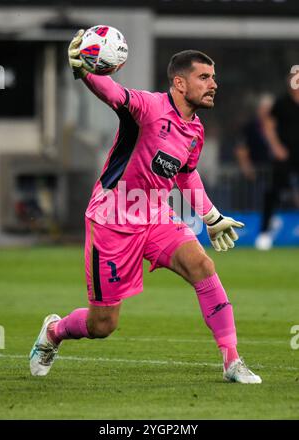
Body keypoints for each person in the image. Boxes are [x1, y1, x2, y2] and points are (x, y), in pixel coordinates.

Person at [29, 29, 262, 384]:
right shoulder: (148, 107)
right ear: (180, 84)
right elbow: (113, 93)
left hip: (154, 214)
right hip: (112, 219)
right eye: (204, 77)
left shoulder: (195, 129)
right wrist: (85, 70)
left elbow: (186, 174)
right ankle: (54, 332)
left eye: (213, 77)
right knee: (103, 324)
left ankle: (232, 361)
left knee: (202, 265)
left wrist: (211, 217)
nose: (213, 84)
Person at [255, 73, 299, 250]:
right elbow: (268, 126)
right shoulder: (281, 103)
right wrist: (276, 147)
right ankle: (264, 233)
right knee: (274, 191)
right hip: (285, 155)